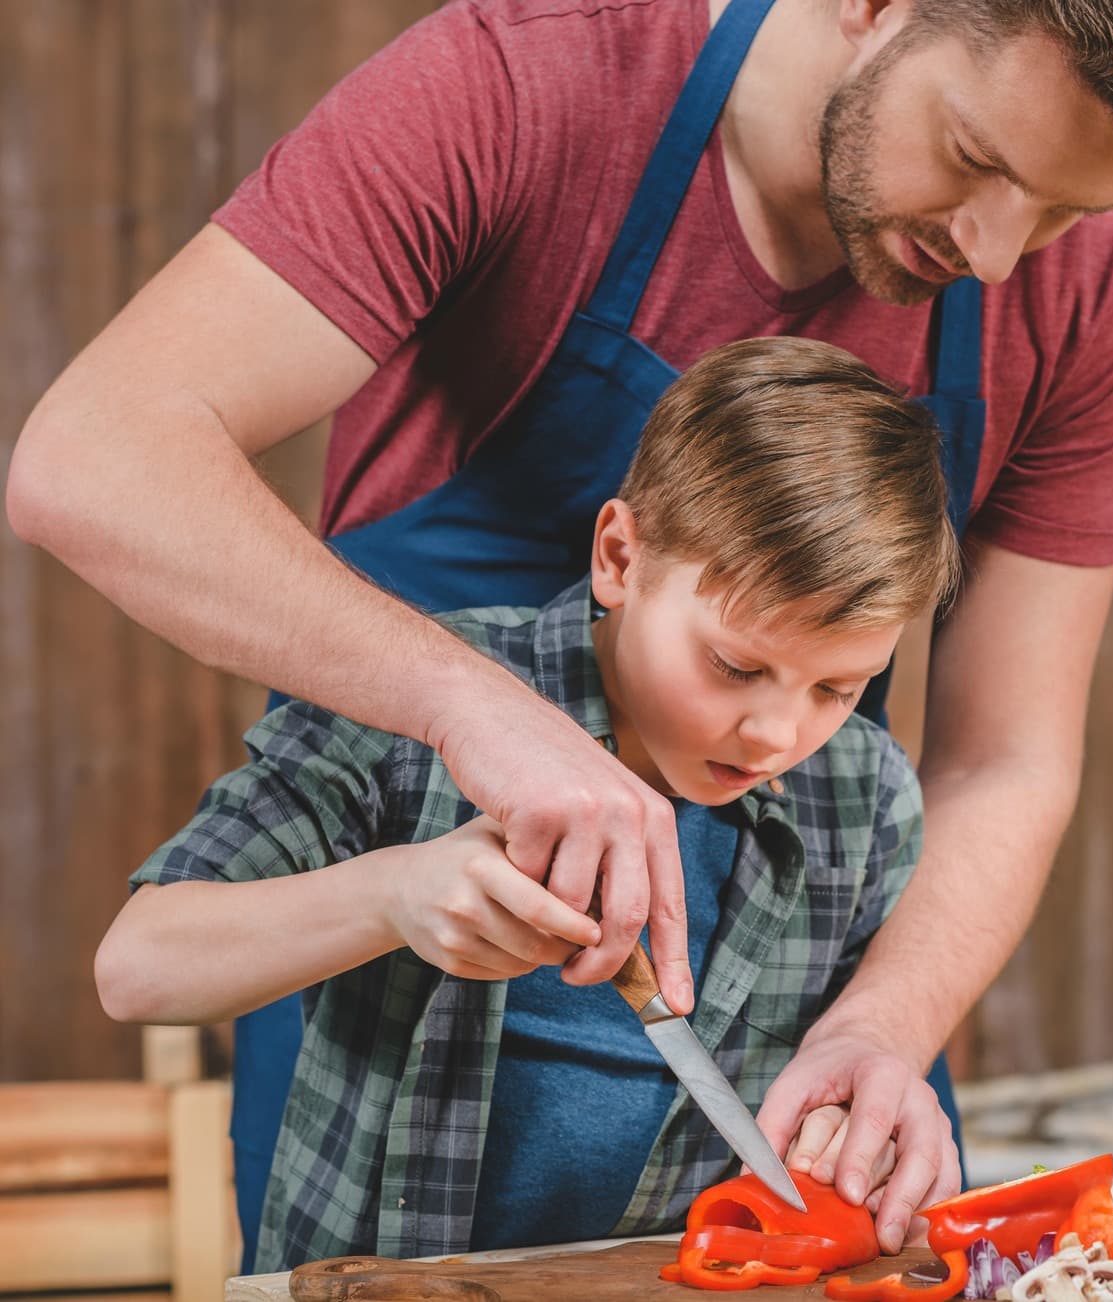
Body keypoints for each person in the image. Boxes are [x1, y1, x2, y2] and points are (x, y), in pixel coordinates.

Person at [6, 0, 1113, 1273]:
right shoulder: (526, 86)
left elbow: (1006, 760)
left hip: (798, 1009)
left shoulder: (1081, 291)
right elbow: (93, 458)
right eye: (978, 159)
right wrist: (485, 717)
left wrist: (881, 1029)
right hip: (420, 1029)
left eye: (1064, 208)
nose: (1001, 254)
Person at [95, 338, 962, 1271]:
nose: (774, 734)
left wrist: (860, 1124)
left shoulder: (863, 798)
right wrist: (394, 896)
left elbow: (850, 1077)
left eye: (836, 689)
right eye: (736, 666)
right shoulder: (411, 706)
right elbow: (137, 968)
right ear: (620, 558)